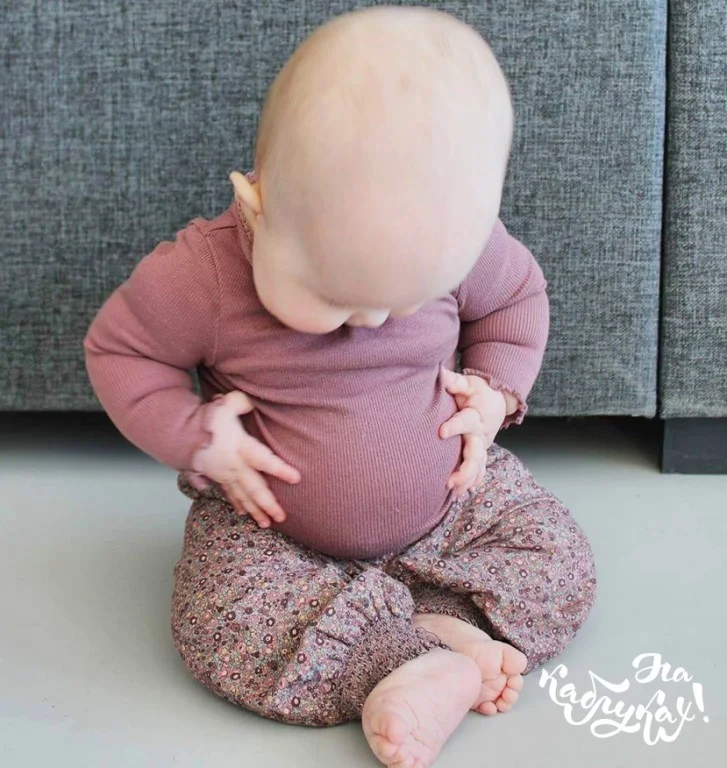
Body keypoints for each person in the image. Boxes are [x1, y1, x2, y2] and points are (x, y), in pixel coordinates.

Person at [84, 6, 596, 767]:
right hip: (271, 532)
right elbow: (120, 352)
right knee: (222, 620)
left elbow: (515, 300)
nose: (371, 321)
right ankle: (400, 658)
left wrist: (495, 391)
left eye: (404, 302)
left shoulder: (458, 241)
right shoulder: (203, 274)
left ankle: (433, 629)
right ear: (258, 206)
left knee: (558, 562)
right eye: (334, 299)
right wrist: (196, 436)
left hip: (452, 508)